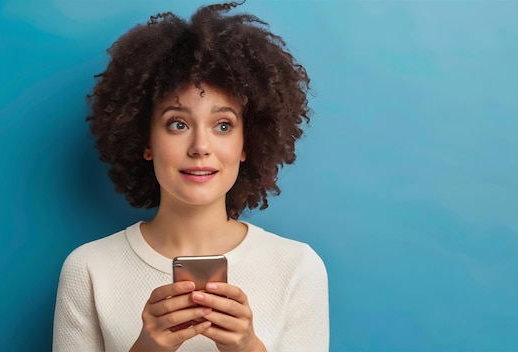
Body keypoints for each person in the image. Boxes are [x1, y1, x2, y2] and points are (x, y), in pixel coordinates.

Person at [53, 2, 329, 351]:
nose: (200, 146)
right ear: (146, 140)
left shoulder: (298, 267)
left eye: (223, 125)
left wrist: (247, 347)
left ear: (248, 143)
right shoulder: (88, 269)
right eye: (178, 124)